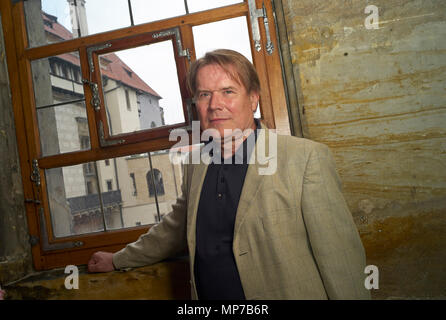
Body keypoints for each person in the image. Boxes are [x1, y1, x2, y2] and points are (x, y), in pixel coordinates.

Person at [88, 49, 371, 300]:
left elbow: (341, 263)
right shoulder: (196, 163)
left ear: (253, 99)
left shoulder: (305, 158)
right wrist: (119, 259)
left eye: (228, 91)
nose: (215, 105)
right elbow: (176, 226)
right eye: (204, 94)